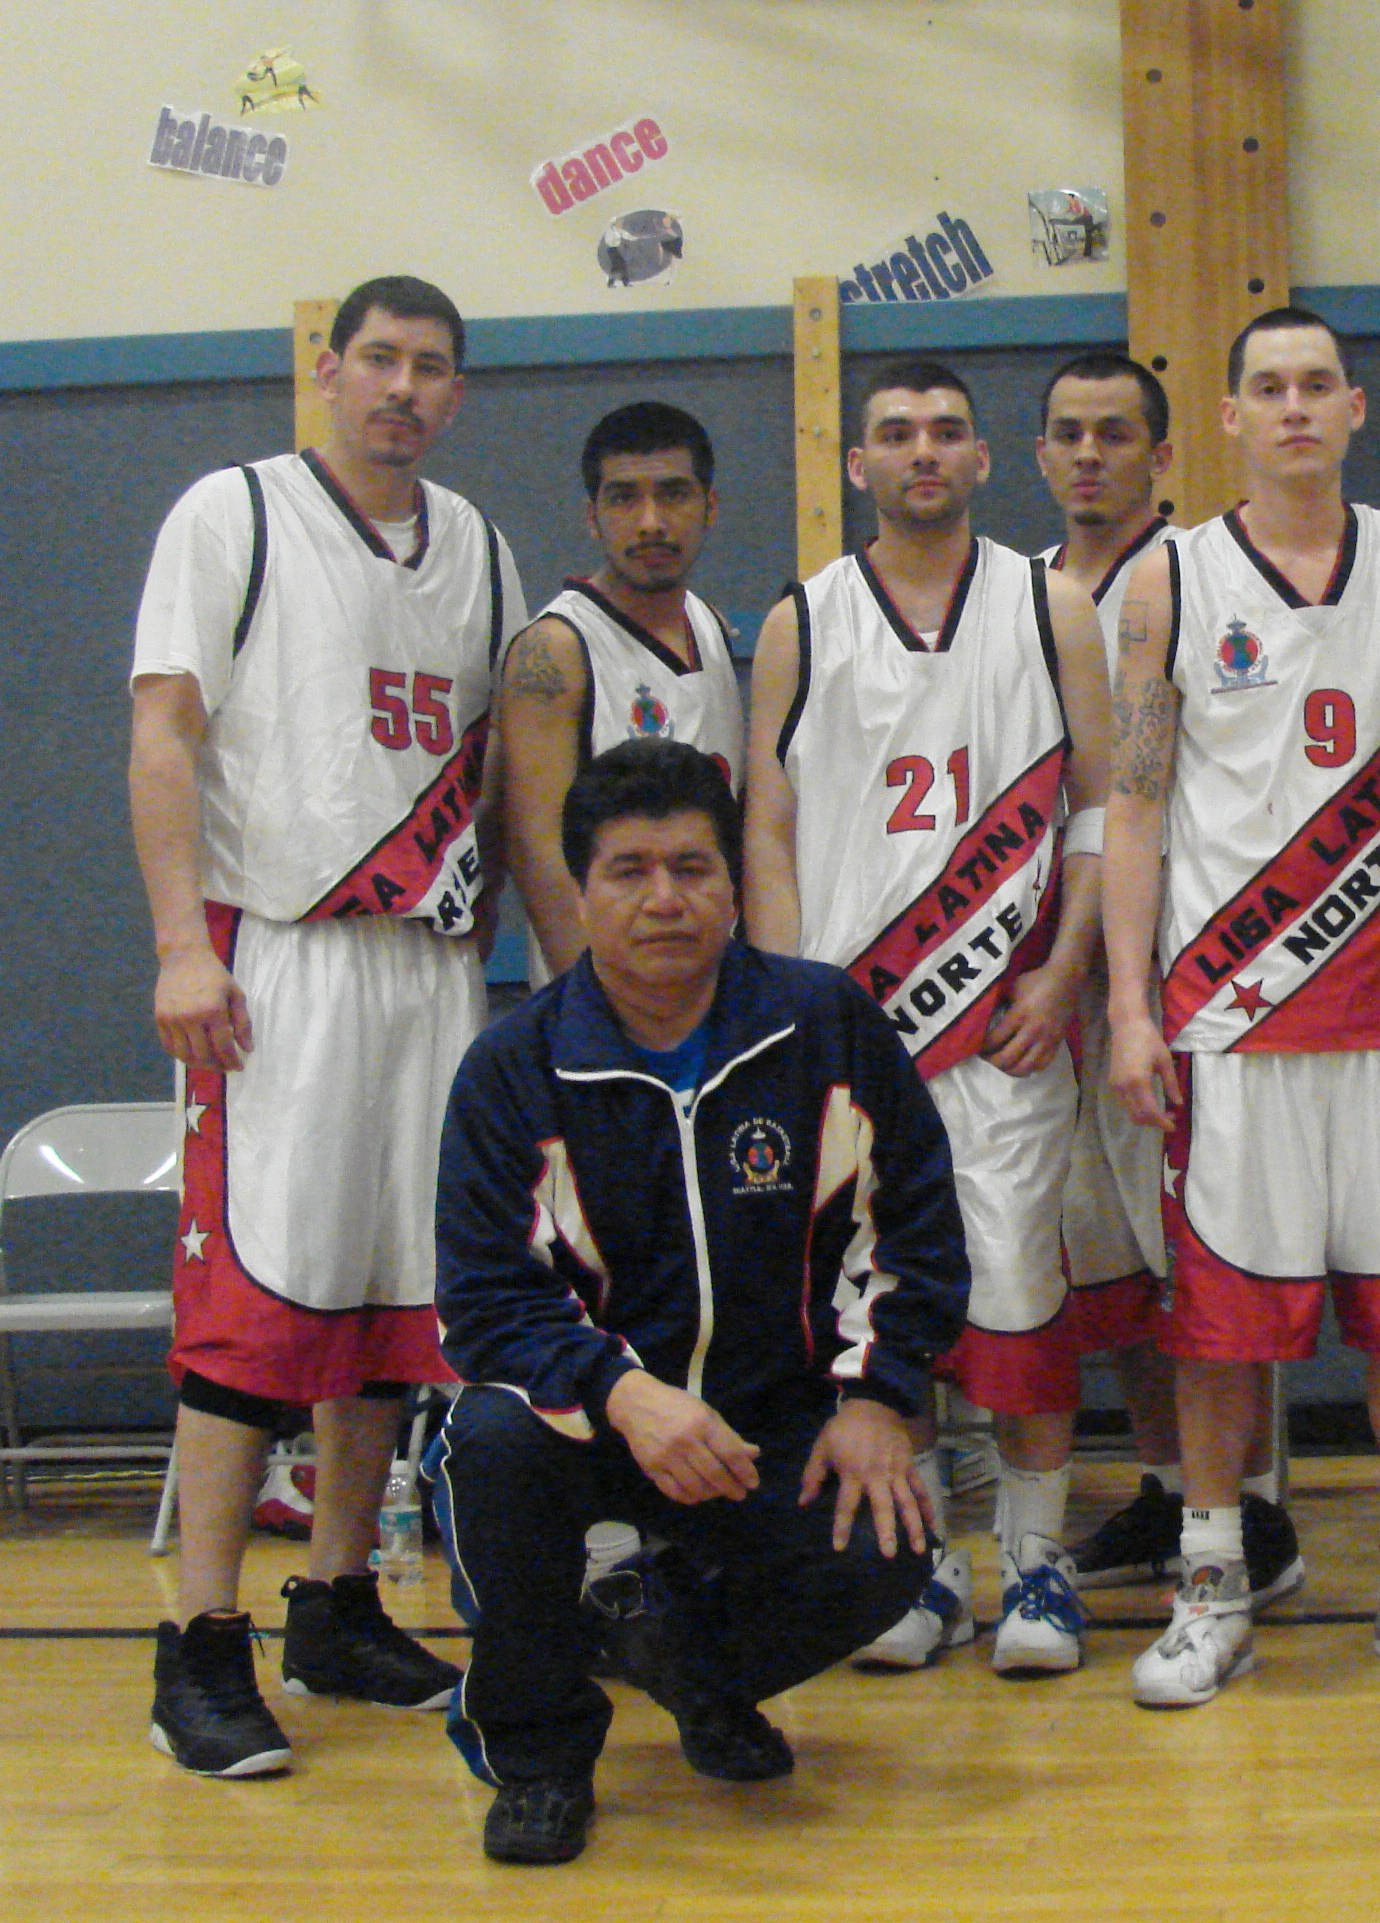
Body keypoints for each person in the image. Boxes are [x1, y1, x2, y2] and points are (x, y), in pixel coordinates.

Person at [1103, 305, 1380, 1706]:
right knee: (1221, 1322)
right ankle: (1212, 1574)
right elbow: (1132, 801)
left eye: (1315, 386)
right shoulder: (1166, 582)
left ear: (1355, 406)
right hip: (1231, 1017)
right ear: (1226, 418)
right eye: (1266, 388)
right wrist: (1127, 1005)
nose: (1293, 408)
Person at [436, 741, 965, 1865]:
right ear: (579, 895)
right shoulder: (513, 1068)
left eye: (692, 868)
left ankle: (690, 1663)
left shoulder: (825, 1025)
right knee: (485, 1440)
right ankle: (538, 1757)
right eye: (629, 871)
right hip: (597, 1420)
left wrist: (877, 1398)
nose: (664, 899)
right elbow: (483, 1300)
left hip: (766, 1417)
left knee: (886, 1538)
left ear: (735, 885)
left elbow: (919, 1228)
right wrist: (623, 1393)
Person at [128, 274, 523, 1778]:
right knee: (256, 1303)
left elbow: (492, 762)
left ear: (457, 391)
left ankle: (338, 1597)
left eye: (430, 366)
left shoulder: (479, 544)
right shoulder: (231, 512)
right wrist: (180, 944)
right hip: (272, 951)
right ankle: (201, 1641)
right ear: (328, 366)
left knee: (392, 1299)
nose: (401, 388)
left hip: (424, 958)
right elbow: (163, 726)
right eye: (378, 360)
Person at [743, 358, 1114, 1675]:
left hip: (1000, 1026)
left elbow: (1097, 808)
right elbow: (768, 820)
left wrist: (1065, 970)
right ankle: (922, 1563)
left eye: (945, 432)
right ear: (857, 464)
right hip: (853, 1032)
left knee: (1015, 1292)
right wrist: (789, 1003)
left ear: (980, 459)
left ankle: (1034, 1562)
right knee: (879, 1304)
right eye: (894, 434)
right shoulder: (801, 618)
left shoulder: (1049, 603)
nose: (921, 452)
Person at [1029, 351, 1302, 1609]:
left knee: (1206, 1256)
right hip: (1037, 985)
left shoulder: (1206, 582)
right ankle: (1161, 1484)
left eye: (1118, 434)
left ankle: (1250, 1508)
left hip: (1185, 979)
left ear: (1164, 454)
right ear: (1038, 457)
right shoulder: (1012, 597)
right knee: (1115, 1263)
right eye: (1070, 434)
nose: (1092, 454)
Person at [498, 401, 745, 982]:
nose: (651, 521)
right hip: (613, 1002)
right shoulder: (556, 649)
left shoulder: (708, 624)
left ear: (710, 507)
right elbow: (542, 861)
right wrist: (603, 1018)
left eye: (674, 494)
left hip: (709, 988)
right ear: (592, 515)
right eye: (624, 497)